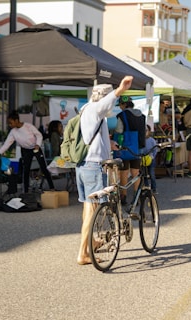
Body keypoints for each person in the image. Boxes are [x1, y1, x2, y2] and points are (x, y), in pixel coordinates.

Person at [75, 76, 133, 265]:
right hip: (93, 166)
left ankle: (91, 242)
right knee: (92, 211)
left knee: (87, 207)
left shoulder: (85, 109)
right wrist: (120, 89)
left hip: (83, 165)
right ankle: (83, 254)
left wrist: (110, 144)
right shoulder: (95, 109)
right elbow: (104, 104)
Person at [0, 111, 55, 194]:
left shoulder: (28, 126)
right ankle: (26, 191)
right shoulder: (13, 132)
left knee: (43, 167)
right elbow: (6, 144)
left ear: (16, 120)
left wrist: (38, 144)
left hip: (35, 148)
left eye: (11, 123)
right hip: (25, 150)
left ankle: (52, 187)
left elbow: (39, 135)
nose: (10, 125)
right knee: (25, 170)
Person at [114, 96, 146, 204]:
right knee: (135, 172)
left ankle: (123, 196)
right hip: (138, 147)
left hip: (126, 147)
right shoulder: (141, 115)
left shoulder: (122, 115)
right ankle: (137, 196)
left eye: (120, 106)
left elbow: (119, 130)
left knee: (123, 172)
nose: (120, 108)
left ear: (123, 105)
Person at [141, 124, 158, 193]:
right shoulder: (140, 140)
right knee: (144, 174)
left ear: (149, 131)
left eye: (146, 130)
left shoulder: (152, 140)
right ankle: (146, 188)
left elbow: (155, 149)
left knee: (152, 174)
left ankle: (154, 188)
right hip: (142, 159)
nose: (145, 132)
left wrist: (152, 156)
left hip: (151, 159)